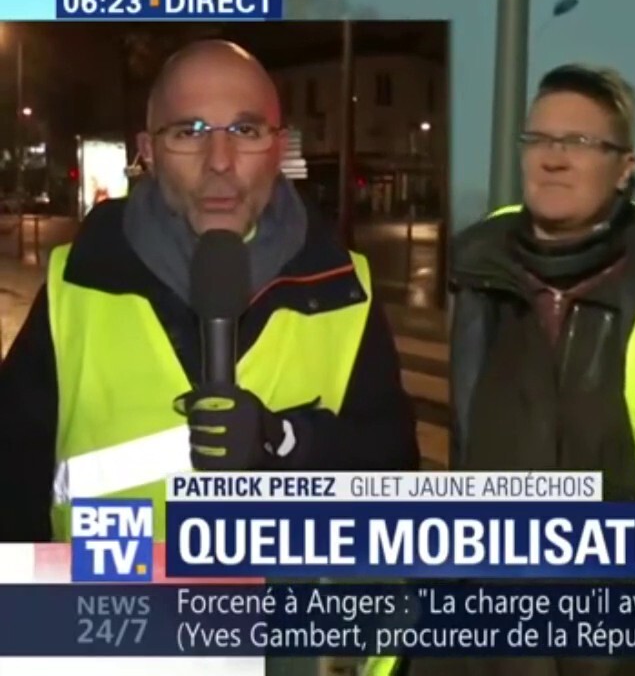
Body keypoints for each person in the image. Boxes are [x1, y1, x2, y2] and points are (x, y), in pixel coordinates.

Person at [362, 65, 635, 676]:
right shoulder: (458, 282)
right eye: (540, 140)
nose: (554, 159)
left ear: (625, 166)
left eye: (579, 143)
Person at [0, 40, 418, 542]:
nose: (219, 160)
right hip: (107, 613)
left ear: (278, 149)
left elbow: (393, 484)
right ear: (149, 152)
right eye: (188, 131)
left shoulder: (346, 289)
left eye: (245, 130)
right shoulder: (77, 283)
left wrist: (286, 443)